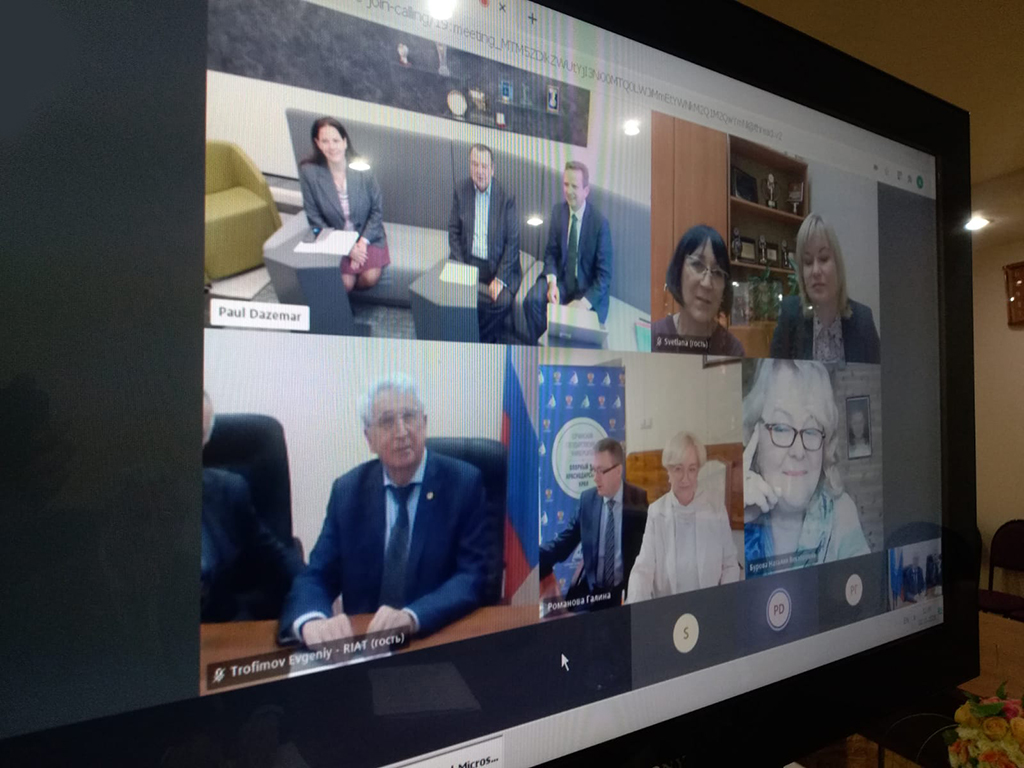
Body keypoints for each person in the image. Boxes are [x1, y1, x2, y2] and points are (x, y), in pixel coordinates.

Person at [279, 375, 491, 646]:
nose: (402, 432)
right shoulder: (348, 492)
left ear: (424, 423)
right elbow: (317, 575)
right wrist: (312, 621)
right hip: (366, 644)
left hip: (433, 639)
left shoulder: (463, 483)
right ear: (369, 439)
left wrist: (412, 617)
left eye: (409, 417)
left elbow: (472, 576)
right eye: (387, 421)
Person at [743, 359, 870, 576]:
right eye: (781, 428)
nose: (799, 451)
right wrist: (736, 522)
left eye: (811, 430)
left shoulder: (841, 514)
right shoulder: (735, 514)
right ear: (755, 435)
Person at [201, 392, 302, 622]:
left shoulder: (228, 490)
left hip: (221, 631)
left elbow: (277, 556)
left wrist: (316, 594)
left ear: (206, 439)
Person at [626, 432, 740, 603]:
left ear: (698, 470)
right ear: (668, 470)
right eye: (678, 469)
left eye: (692, 469)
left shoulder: (715, 509)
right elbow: (643, 569)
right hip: (670, 609)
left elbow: (730, 564)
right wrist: (636, 606)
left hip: (709, 606)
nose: (685, 478)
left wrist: (722, 602)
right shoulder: (656, 512)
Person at [539, 438, 648, 608]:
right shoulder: (587, 501)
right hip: (592, 594)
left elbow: (648, 552)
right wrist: (531, 558)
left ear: (618, 471)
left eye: (601, 471)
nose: (595, 478)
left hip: (624, 594)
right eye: (593, 470)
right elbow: (563, 544)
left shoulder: (638, 500)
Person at [770, 213, 881, 363]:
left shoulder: (863, 320)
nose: (815, 271)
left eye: (823, 259)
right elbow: (774, 375)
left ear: (837, 265)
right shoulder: (789, 316)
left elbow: (879, 377)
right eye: (808, 262)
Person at [523, 161, 613, 343]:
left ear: (586, 191)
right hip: (562, 281)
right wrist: (552, 283)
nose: (569, 191)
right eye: (566, 184)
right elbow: (550, 253)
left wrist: (583, 303)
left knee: (581, 330)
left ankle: (561, 352)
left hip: (587, 289)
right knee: (531, 301)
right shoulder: (558, 212)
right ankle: (541, 348)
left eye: (574, 186)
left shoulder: (600, 224)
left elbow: (604, 277)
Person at [298, 117, 390, 293]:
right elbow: (314, 219)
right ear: (317, 143)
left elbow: (377, 210)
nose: (331, 146)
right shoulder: (309, 173)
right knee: (345, 283)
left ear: (345, 142)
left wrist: (362, 243)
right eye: (325, 141)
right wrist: (346, 247)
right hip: (335, 236)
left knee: (369, 277)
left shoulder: (363, 168)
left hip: (366, 235)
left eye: (336, 140)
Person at [448, 144, 522, 343]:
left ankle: (478, 338)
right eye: (475, 165)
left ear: (492, 169)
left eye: (484, 166)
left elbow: (513, 243)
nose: (479, 171)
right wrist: (461, 267)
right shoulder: (461, 190)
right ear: (469, 165)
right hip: (469, 260)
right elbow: (453, 231)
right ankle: (472, 335)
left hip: (498, 264)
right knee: (450, 293)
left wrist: (500, 279)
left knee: (502, 302)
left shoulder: (506, 196)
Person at [652, 225, 744, 356]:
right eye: (697, 265)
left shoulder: (732, 350)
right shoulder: (653, 338)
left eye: (717, 273)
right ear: (679, 271)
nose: (707, 284)